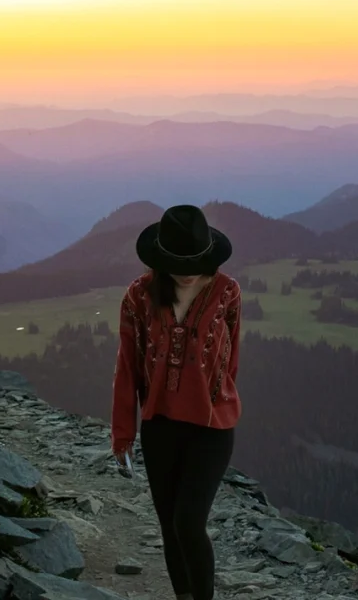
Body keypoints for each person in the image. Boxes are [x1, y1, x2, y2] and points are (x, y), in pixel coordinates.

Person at [111, 204, 241, 600]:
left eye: (195, 260)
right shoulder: (138, 295)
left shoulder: (227, 292)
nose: (186, 269)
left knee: (188, 522)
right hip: (160, 426)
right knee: (169, 524)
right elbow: (127, 366)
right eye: (177, 260)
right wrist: (123, 434)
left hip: (211, 427)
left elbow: (231, 358)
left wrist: (217, 396)